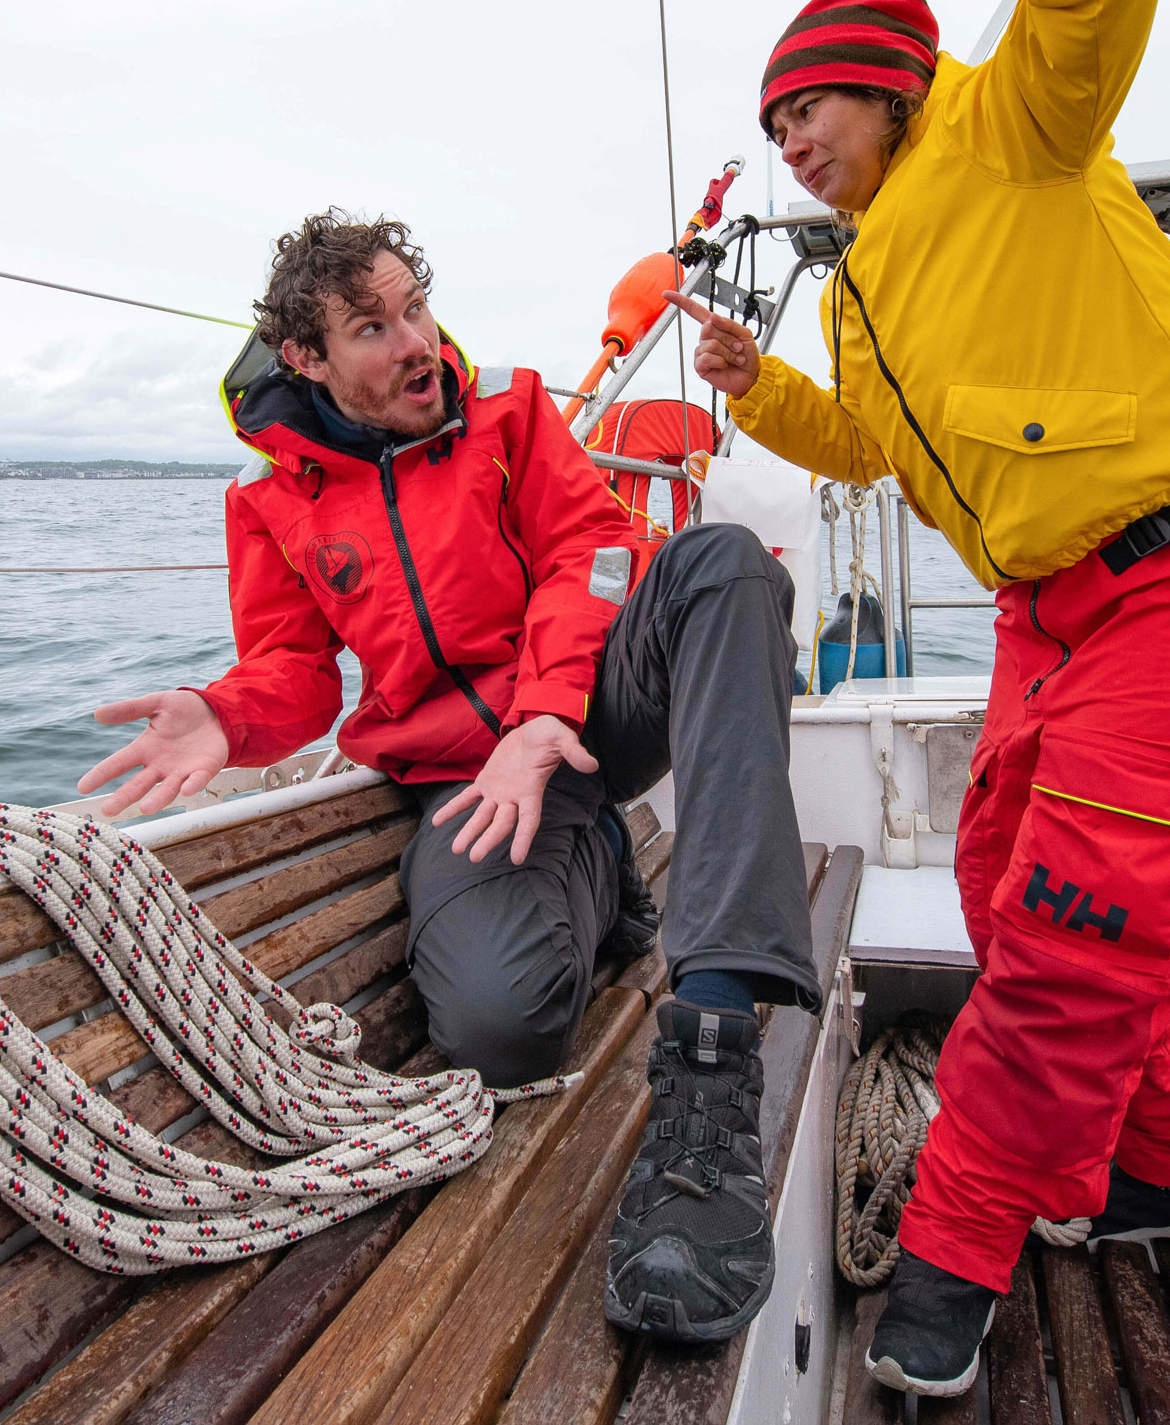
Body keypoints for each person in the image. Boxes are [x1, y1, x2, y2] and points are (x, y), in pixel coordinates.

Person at [675, 0, 1170, 1398]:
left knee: (1066, 941)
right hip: (1052, 617)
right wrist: (765, 393)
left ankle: (958, 1251)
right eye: (775, 123)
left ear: (889, 80)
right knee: (997, 872)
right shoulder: (865, 276)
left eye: (809, 104)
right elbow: (881, 448)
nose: (793, 143)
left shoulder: (1015, 128)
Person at [78, 210, 818, 1345]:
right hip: (457, 774)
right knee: (498, 1032)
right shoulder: (270, 503)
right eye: (373, 328)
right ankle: (600, 861)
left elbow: (595, 553)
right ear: (307, 362)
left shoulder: (512, 414)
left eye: (414, 308)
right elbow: (292, 672)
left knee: (720, 565)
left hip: (577, 716)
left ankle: (713, 1043)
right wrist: (227, 716)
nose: (415, 340)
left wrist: (540, 716)